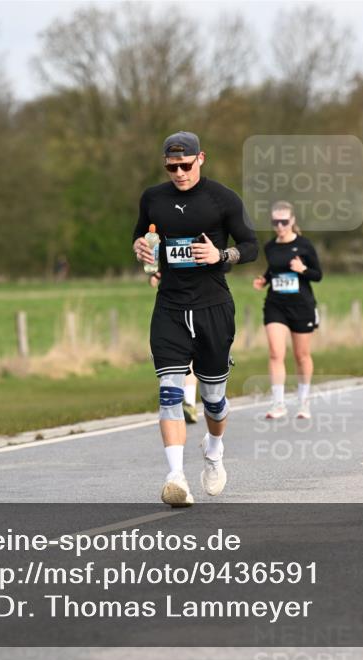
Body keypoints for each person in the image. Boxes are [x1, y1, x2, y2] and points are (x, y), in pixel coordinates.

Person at [133, 131, 257, 507]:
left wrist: (220, 256)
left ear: (201, 158)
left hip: (213, 307)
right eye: (172, 167)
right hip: (170, 306)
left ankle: (214, 450)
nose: (179, 173)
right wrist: (139, 247)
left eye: (186, 165)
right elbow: (143, 236)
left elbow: (251, 246)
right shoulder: (153, 198)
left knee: (214, 399)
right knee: (170, 392)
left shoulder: (222, 198)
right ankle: (176, 478)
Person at [252, 201, 322, 420]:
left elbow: (318, 275)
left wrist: (303, 269)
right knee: (275, 353)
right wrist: (264, 280)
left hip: (302, 306)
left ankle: (304, 401)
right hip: (276, 305)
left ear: (292, 221)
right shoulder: (270, 246)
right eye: (275, 222)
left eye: (284, 221)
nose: (280, 226)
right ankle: (278, 403)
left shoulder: (304, 245)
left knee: (301, 355)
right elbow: (274, 270)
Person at [150, 271, 199, 422]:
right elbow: (169, 256)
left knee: (194, 356)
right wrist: (158, 273)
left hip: (202, 302)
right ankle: (183, 402)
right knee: (172, 356)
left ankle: (189, 401)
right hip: (171, 304)